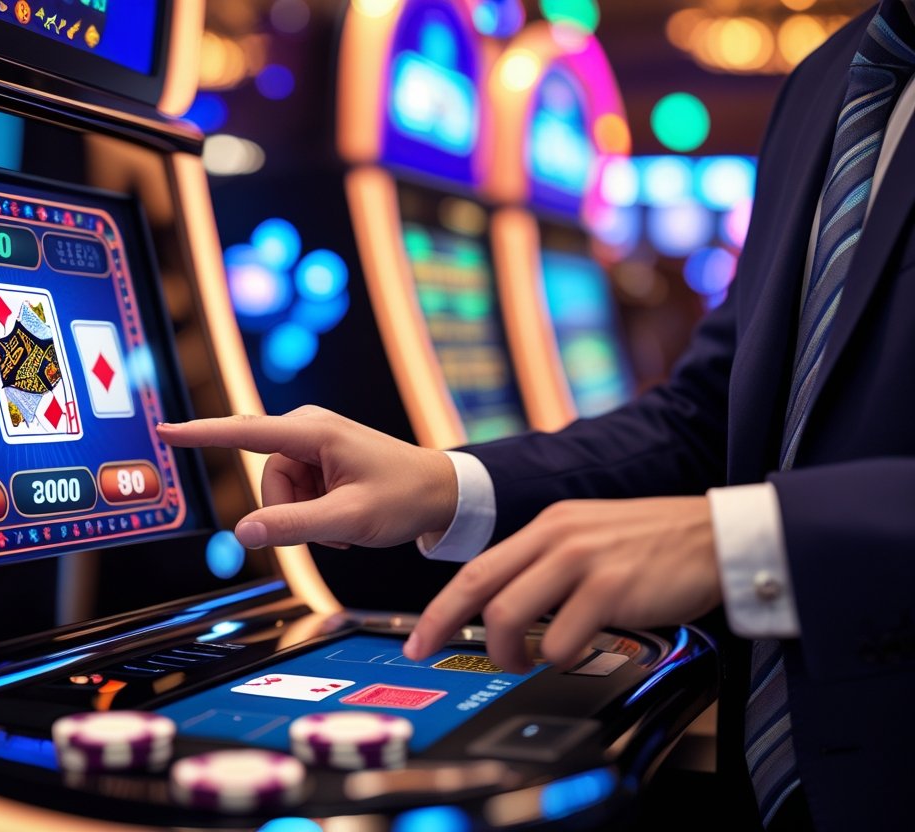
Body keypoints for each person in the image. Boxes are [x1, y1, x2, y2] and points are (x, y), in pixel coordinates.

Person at [158, 3, 915, 831]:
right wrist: (446, 480)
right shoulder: (829, 75)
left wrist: (755, 540)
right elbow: (708, 416)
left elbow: (747, 500)